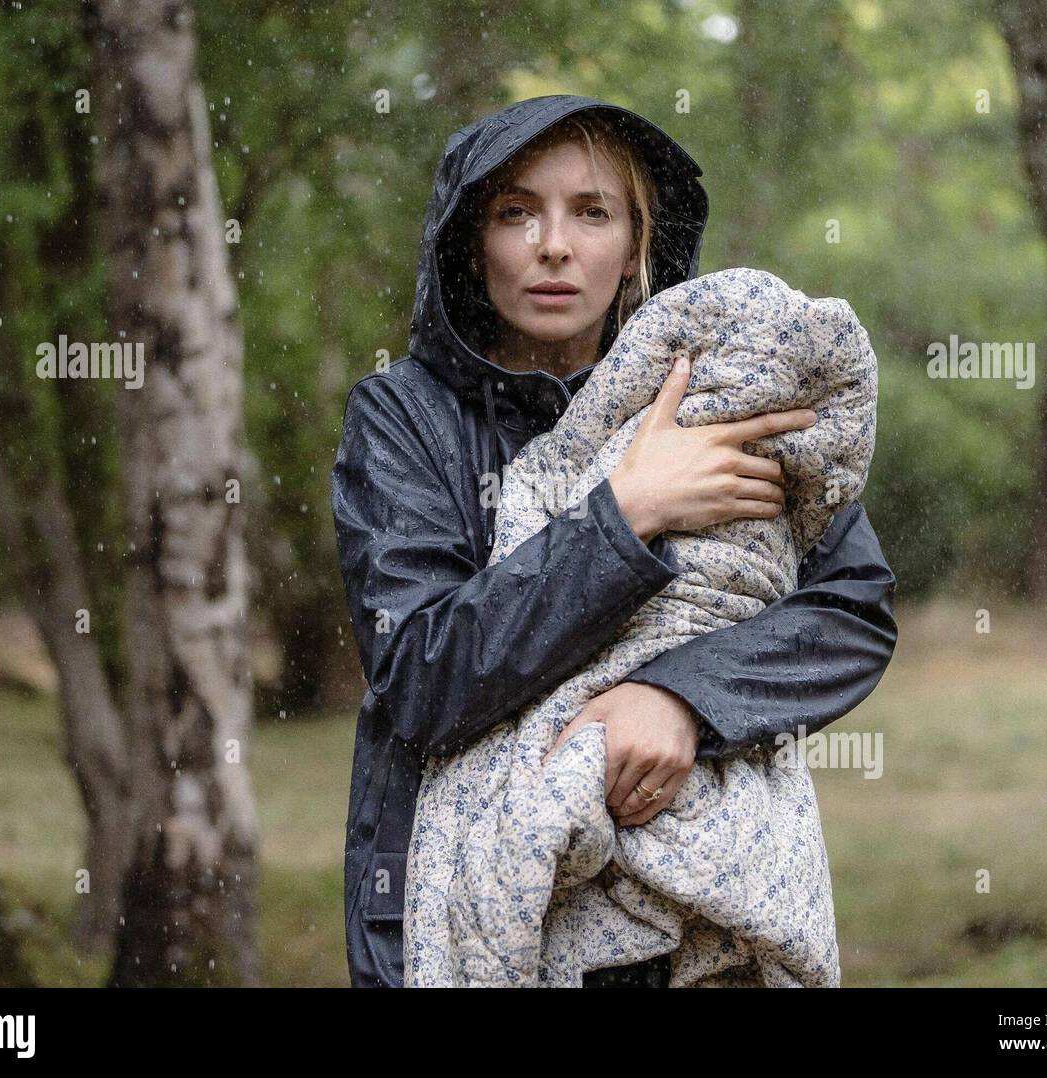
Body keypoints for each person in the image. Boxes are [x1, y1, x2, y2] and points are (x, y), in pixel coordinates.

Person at [331, 94, 898, 989]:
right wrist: (625, 512)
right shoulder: (405, 419)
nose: (553, 244)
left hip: (686, 926)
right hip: (457, 918)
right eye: (517, 211)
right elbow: (423, 676)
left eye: (592, 212)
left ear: (636, 244)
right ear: (471, 245)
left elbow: (850, 613)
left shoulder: (723, 388)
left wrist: (682, 699)